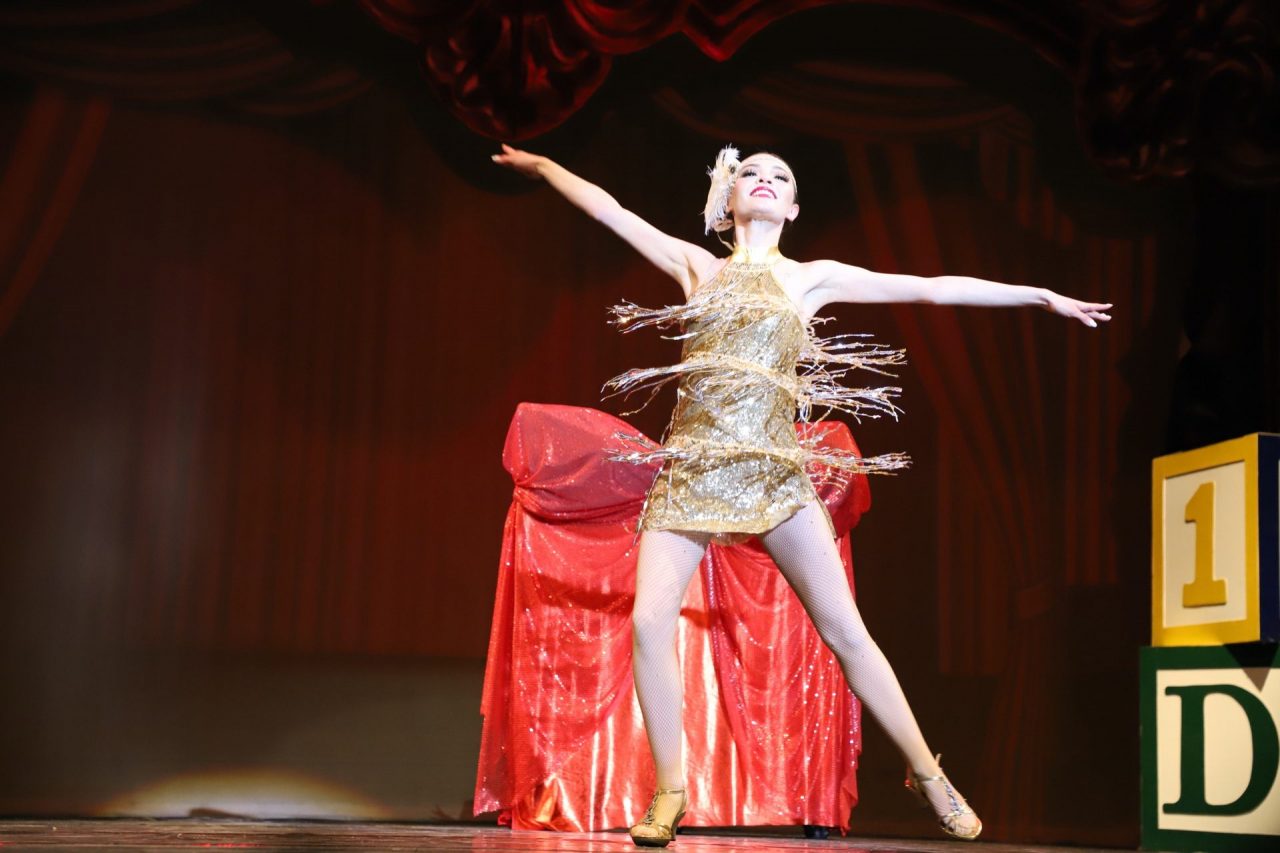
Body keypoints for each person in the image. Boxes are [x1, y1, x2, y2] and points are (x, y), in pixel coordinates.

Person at [491, 143, 1112, 845]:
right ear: (729, 200)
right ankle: (670, 788)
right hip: (693, 469)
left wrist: (1039, 296)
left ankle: (927, 772)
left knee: (846, 631)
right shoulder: (695, 265)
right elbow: (609, 209)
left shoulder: (812, 278)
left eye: (779, 176)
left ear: (791, 208)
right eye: (750, 172)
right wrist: (545, 168)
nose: (763, 179)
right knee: (647, 622)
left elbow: (931, 286)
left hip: (774, 474)